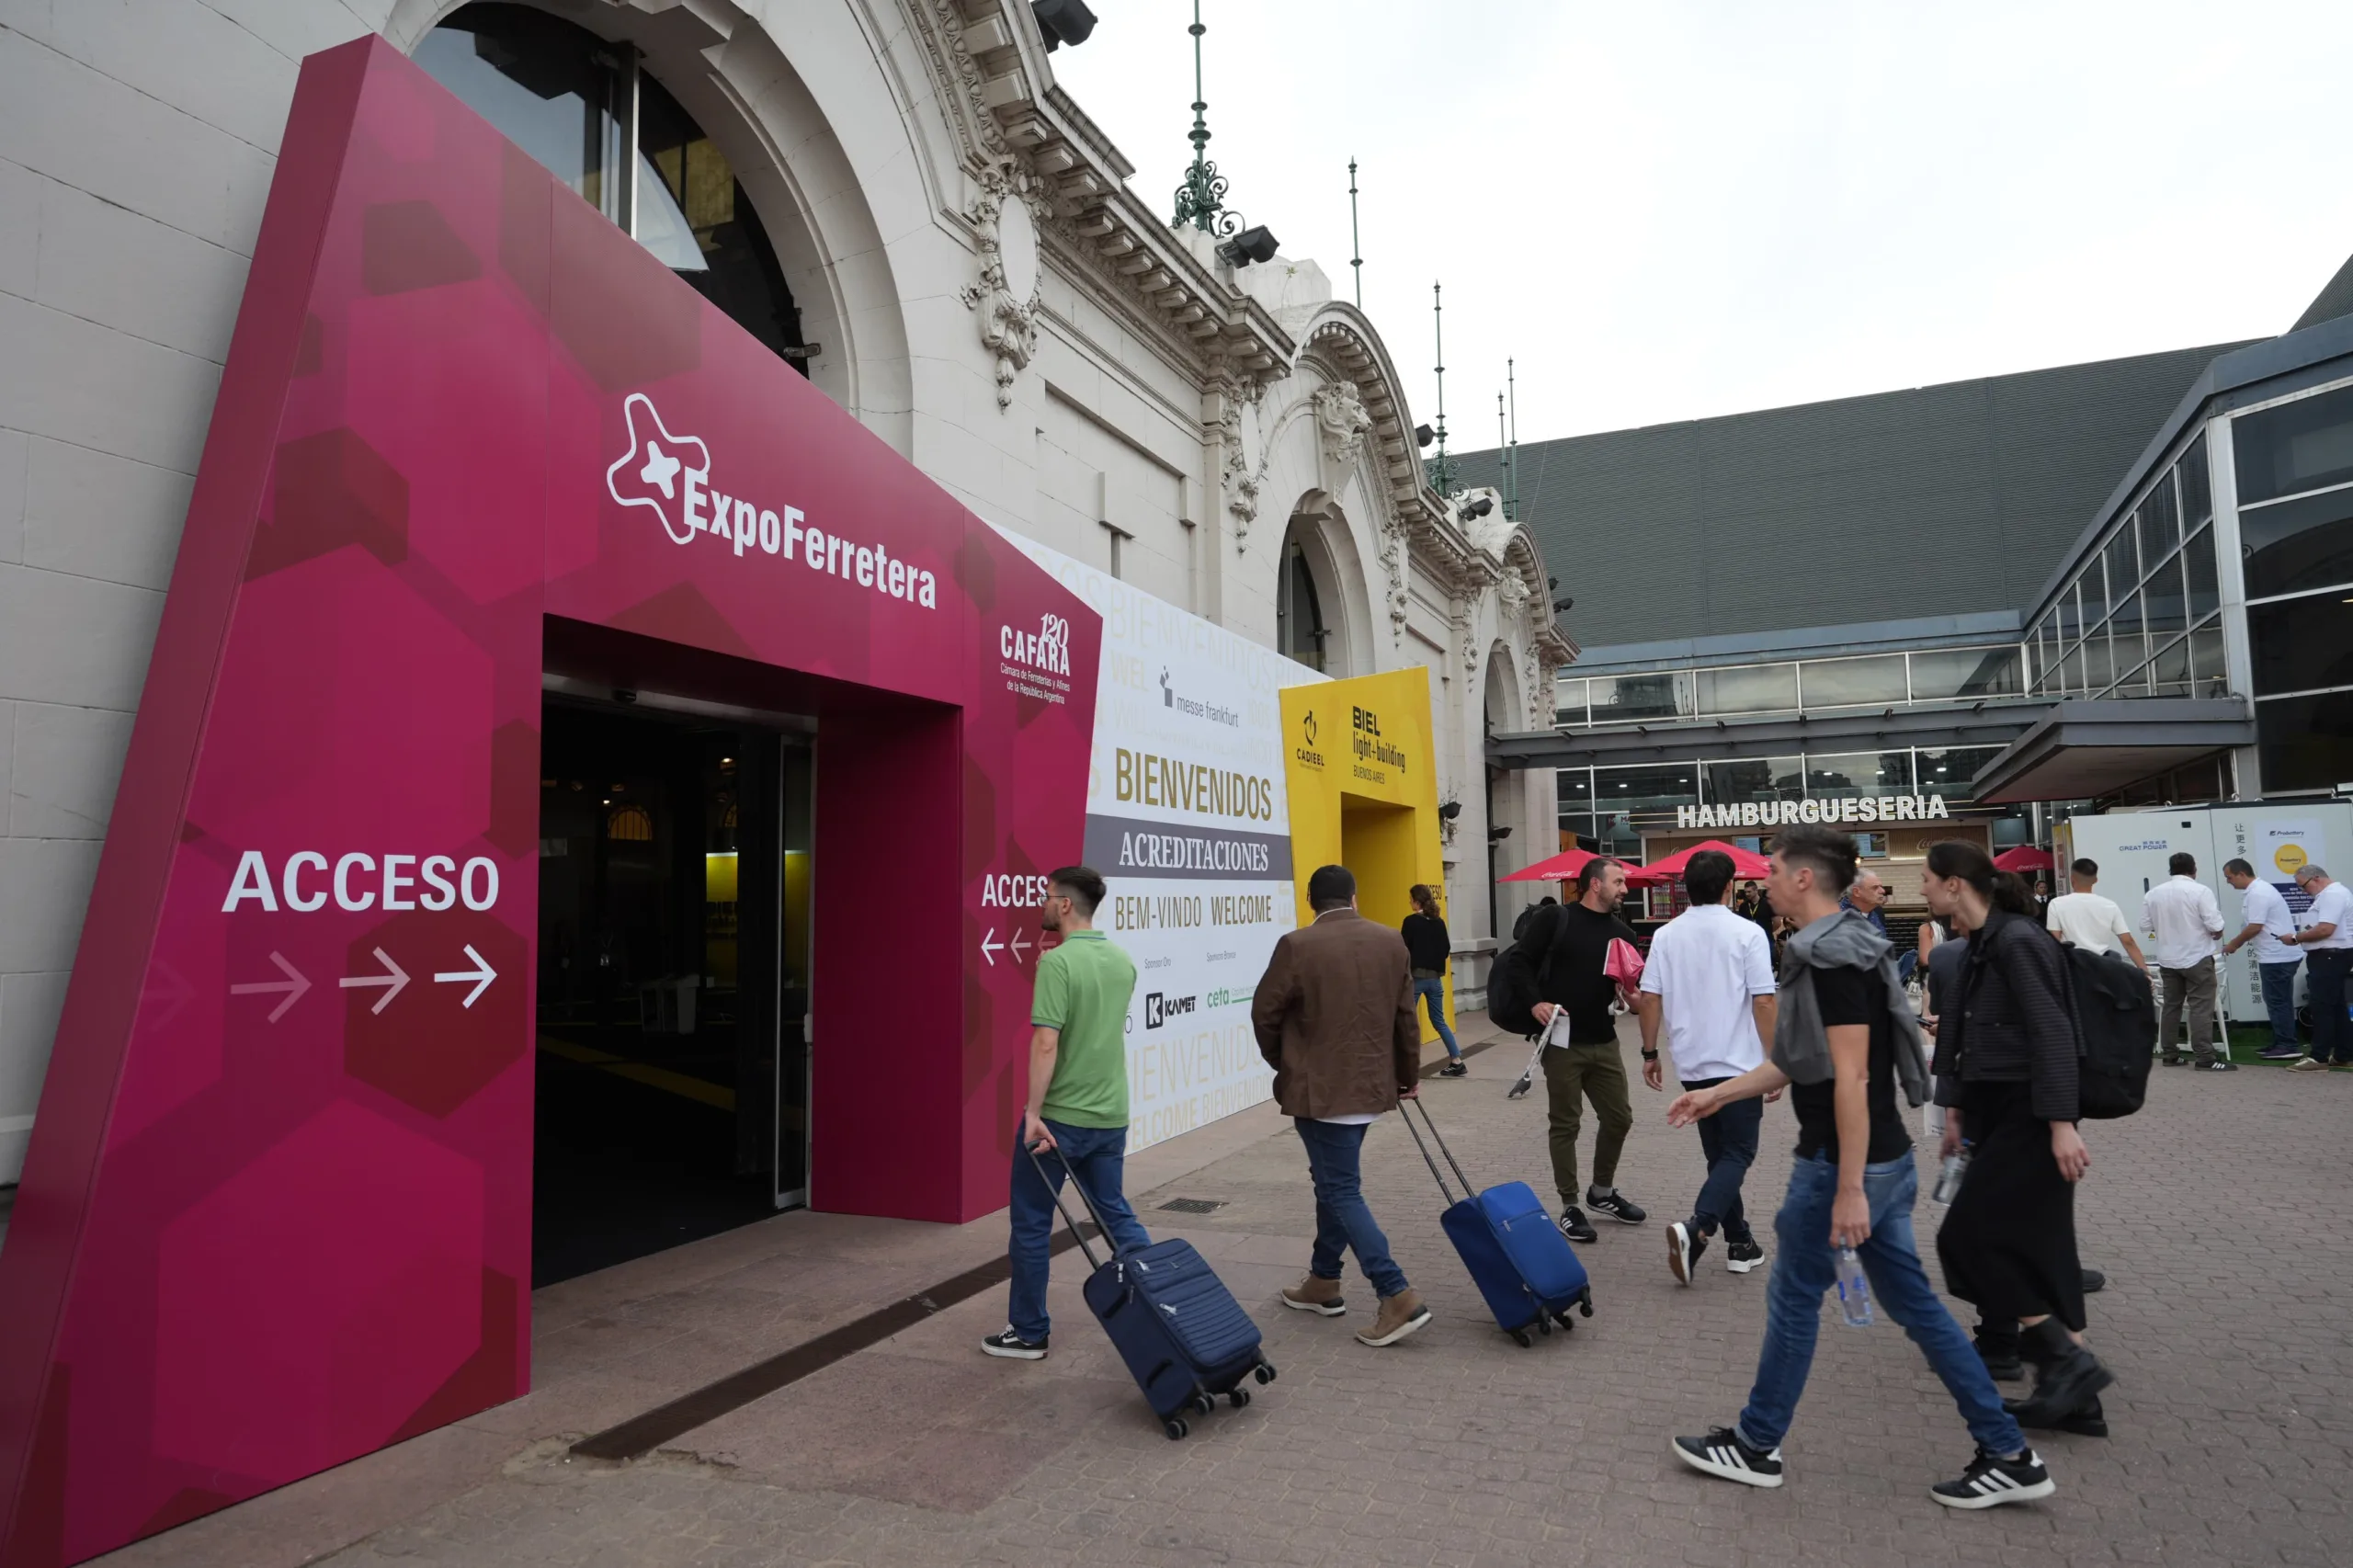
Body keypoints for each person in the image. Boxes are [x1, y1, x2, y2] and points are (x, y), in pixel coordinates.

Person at [1666, 824, 2054, 1507]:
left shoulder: (1831, 955)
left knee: (1793, 1301)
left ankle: (1756, 1444)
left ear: (1805, 879)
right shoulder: (1845, 944)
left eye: (1775, 869)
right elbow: (1803, 1060)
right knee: (1917, 1310)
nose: (1765, 880)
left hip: (1846, 1168)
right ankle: (2007, 1451)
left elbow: (1848, 1079)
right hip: (1878, 1162)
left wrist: (1848, 1190)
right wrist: (1716, 1094)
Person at [1924, 846, 2112, 1438]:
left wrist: (2059, 1123)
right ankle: (2078, 1401)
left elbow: (2053, 1031)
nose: (1922, 889)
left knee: (1968, 1238)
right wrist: (1954, 1108)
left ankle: (2066, 1360)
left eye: (1928, 880)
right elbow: (1962, 1029)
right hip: (1998, 1108)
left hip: (2029, 1113)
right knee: (2047, 1246)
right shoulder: (1985, 944)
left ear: (1955, 885)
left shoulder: (2018, 943)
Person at [1252, 864, 1432, 1346]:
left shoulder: (1296, 944)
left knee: (1340, 1188)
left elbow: (1264, 1012)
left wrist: (1286, 1061)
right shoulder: (1390, 940)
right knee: (1332, 1182)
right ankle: (1323, 1280)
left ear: (1312, 900)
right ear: (1354, 897)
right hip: (1370, 1085)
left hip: (1318, 1089)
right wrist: (1408, 1076)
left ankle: (1394, 1292)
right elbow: (1405, 1017)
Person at [986, 866, 1149, 1359]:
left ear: (1063, 905)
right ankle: (1164, 1301)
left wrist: (1033, 1113)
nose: (1040, 902)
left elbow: (1047, 1043)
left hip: (1059, 1118)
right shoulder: (1121, 960)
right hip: (1110, 1114)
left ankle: (1029, 1332)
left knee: (1033, 1224)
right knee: (1115, 1213)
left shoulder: (1060, 965)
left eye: (1046, 896)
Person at [1636, 848, 1779, 1285]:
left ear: (1686, 888)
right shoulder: (1748, 932)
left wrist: (1649, 1052)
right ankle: (1698, 1228)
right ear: (1729, 885)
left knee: (1720, 1157)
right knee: (1736, 1154)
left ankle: (1741, 1243)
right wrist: (1775, 1061)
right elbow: (1765, 1000)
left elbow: (1649, 997)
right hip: (1741, 1063)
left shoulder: (1666, 935)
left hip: (1693, 1061)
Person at [1531, 858, 1649, 1242]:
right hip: (1562, 1043)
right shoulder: (1556, 920)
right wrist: (1536, 1002)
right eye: (1619, 882)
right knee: (1565, 1123)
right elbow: (1518, 964)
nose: (1625, 889)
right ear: (1595, 885)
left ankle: (1601, 1192)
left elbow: (1630, 992)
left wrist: (1635, 999)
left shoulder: (1623, 934)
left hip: (1605, 1041)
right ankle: (1569, 1205)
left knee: (1619, 1118)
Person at [2141, 851, 2230, 1070]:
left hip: (2168, 959)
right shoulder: (2200, 891)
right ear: (2194, 869)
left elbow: (2144, 926)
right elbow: (2216, 925)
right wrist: (2215, 933)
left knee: (2172, 1006)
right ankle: (2205, 1057)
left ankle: (2170, 1054)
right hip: (2197, 957)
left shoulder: (2154, 894)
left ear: (2170, 869)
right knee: (2201, 1007)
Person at [2221, 858, 2302, 1061]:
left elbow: (2255, 926)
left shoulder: (2259, 892)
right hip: (2275, 955)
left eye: (2229, 877)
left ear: (2241, 874)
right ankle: (2281, 1041)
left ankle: (2287, 1044)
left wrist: (2233, 944)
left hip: (2278, 956)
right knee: (2276, 1000)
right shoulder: (2255, 891)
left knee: (2278, 1001)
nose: (2228, 882)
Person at [2285, 865, 2352, 1071]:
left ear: (2315, 878)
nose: (2304, 891)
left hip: (2330, 955)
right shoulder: (2332, 894)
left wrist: (2296, 938)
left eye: (2303, 886)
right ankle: (2344, 1054)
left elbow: (2325, 928)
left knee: (2321, 1006)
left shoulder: (2333, 895)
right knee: (2336, 1006)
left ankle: (2319, 1057)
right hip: (2332, 955)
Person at [1402, 884, 1466, 1077]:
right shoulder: (1439, 922)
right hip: (1435, 980)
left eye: (1411, 899)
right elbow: (1446, 949)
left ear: (1417, 901)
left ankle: (1406, 1066)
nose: (1409, 902)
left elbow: (1402, 949)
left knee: (1405, 1021)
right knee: (1439, 1021)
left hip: (1415, 979)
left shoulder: (1411, 922)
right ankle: (1457, 1061)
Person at [2044, 858, 2148, 971]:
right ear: (2095, 880)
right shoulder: (2109, 905)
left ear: (2072, 879)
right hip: (2102, 967)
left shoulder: (2057, 904)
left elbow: (2054, 941)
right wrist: (2145, 971)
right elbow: (2128, 942)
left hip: (2073, 967)